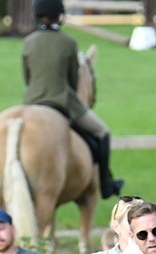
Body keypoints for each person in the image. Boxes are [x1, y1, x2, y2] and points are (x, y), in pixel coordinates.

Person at [23, 0, 124, 199]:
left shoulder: (28, 42)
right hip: (63, 101)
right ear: (60, 16)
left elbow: (27, 78)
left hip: (32, 103)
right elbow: (72, 81)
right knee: (103, 132)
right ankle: (106, 184)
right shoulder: (68, 43)